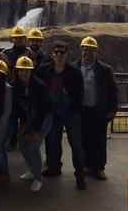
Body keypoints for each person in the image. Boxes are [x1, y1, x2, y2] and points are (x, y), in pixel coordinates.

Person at [36, 40, 86, 190]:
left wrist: (73, 105)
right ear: (52, 53)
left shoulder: (74, 72)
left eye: (62, 52)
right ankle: (55, 167)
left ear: (66, 54)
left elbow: (80, 93)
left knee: (76, 145)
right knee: (53, 142)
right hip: (53, 112)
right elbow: (38, 89)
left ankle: (80, 176)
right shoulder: (44, 70)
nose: (59, 54)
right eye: (56, 51)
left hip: (70, 113)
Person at [72, 36, 118, 181]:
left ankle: (99, 167)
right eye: (85, 50)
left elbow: (113, 90)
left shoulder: (104, 69)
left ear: (96, 52)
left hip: (98, 109)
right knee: (84, 138)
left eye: (91, 50)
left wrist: (112, 109)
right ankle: (87, 165)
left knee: (99, 140)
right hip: (81, 110)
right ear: (81, 51)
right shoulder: (74, 67)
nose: (87, 53)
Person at [12, 56, 53, 192]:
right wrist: (23, 125)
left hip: (44, 118)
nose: (23, 73)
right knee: (23, 144)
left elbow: (43, 110)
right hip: (29, 117)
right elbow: (19, 108)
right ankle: (33, 169)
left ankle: (38, 178)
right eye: (21, 70)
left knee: (34, 146)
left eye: (26, 70)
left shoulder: (39, 86)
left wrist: (35, 130)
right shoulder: (17, 85)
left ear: (31, 71)